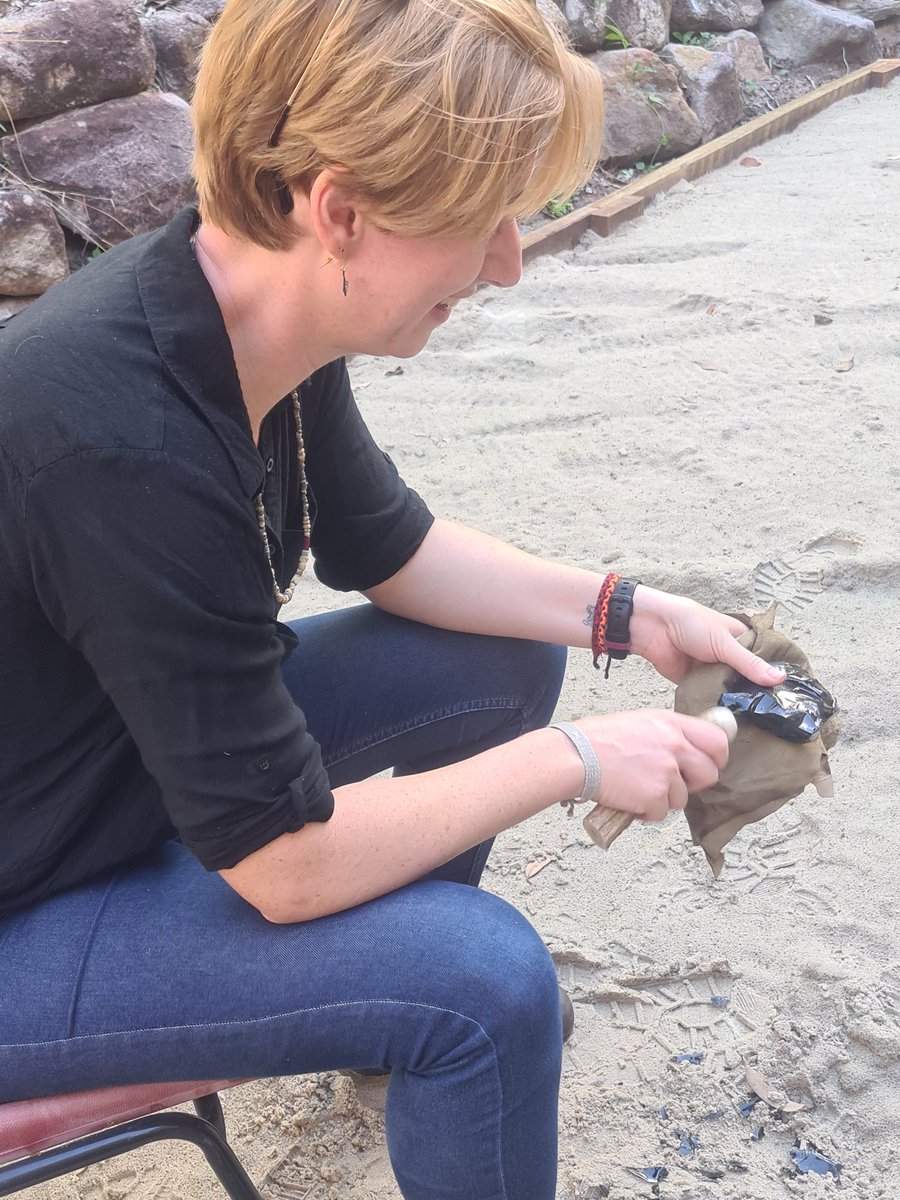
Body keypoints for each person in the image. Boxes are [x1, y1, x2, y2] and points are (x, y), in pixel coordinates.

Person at [0, 0, 785, 1195]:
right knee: (481, 986)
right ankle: (419, 1020)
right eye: (487, 223)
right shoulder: (120, 436)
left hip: (103, 769)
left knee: (499, 659)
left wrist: (628, 611)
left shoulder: (249, 312)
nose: (512, 261)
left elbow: (395, 549)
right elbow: (284, 865)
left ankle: (386, 1039)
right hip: (26, 900)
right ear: (343, 212)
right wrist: (578, 757)